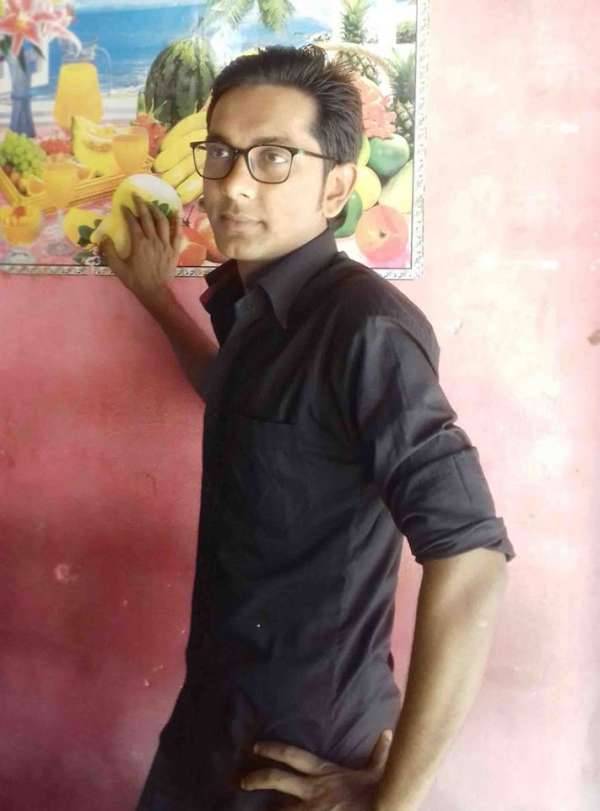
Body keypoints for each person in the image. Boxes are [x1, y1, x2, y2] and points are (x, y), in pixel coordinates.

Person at [101, 45, 515, 811]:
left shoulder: (366, 328)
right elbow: (244, 403)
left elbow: (471, 553)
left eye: (273, 158)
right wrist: (157, 297)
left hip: (298, 753)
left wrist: (394, 800)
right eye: (221, 153)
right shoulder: (257, 304)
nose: (232, 184)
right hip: (211, 717)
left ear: (336, 188)